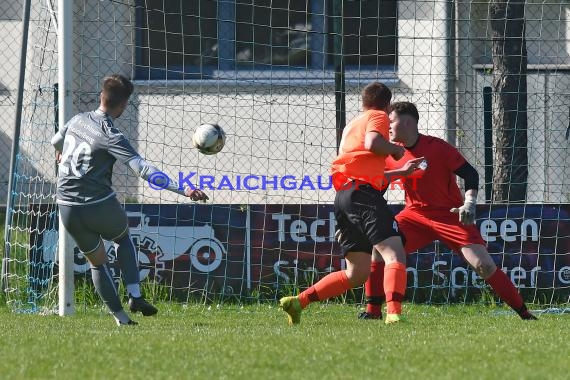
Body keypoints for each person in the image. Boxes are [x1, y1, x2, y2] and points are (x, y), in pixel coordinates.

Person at [51, 74, 208, 326]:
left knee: (97, 264)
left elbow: (55, 141)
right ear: (123, 105)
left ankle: (121, 319)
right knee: (122, 238)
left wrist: (60, 152)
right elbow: (143, 170)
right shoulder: (111, 135)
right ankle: (135, 295)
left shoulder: (77, 120)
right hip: (97, 204)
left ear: (101, 96)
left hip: (66, 205)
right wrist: (183, 190)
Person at [359, 101, 537, 320]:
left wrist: (469, 203)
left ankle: (525, 314)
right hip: (414, 215)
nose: (387, 127)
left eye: (391, 121)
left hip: (450, 215)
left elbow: (471, 174)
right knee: (379, 247)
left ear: (407, 122)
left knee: (484, 265)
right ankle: (373, 312)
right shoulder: (391, 154)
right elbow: (378, 185)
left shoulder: (438, 147)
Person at [279, 82, 409, 325]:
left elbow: (361, 164)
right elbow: (373, 143)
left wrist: (401, 171)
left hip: (345, 196)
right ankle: (394, 314)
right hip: (363, 195)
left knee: (356, 273)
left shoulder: (352, 125)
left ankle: (299, 301)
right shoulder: (378, 116)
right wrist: (394, 150)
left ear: (363, 102)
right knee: (394, 253)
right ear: (387, 104)